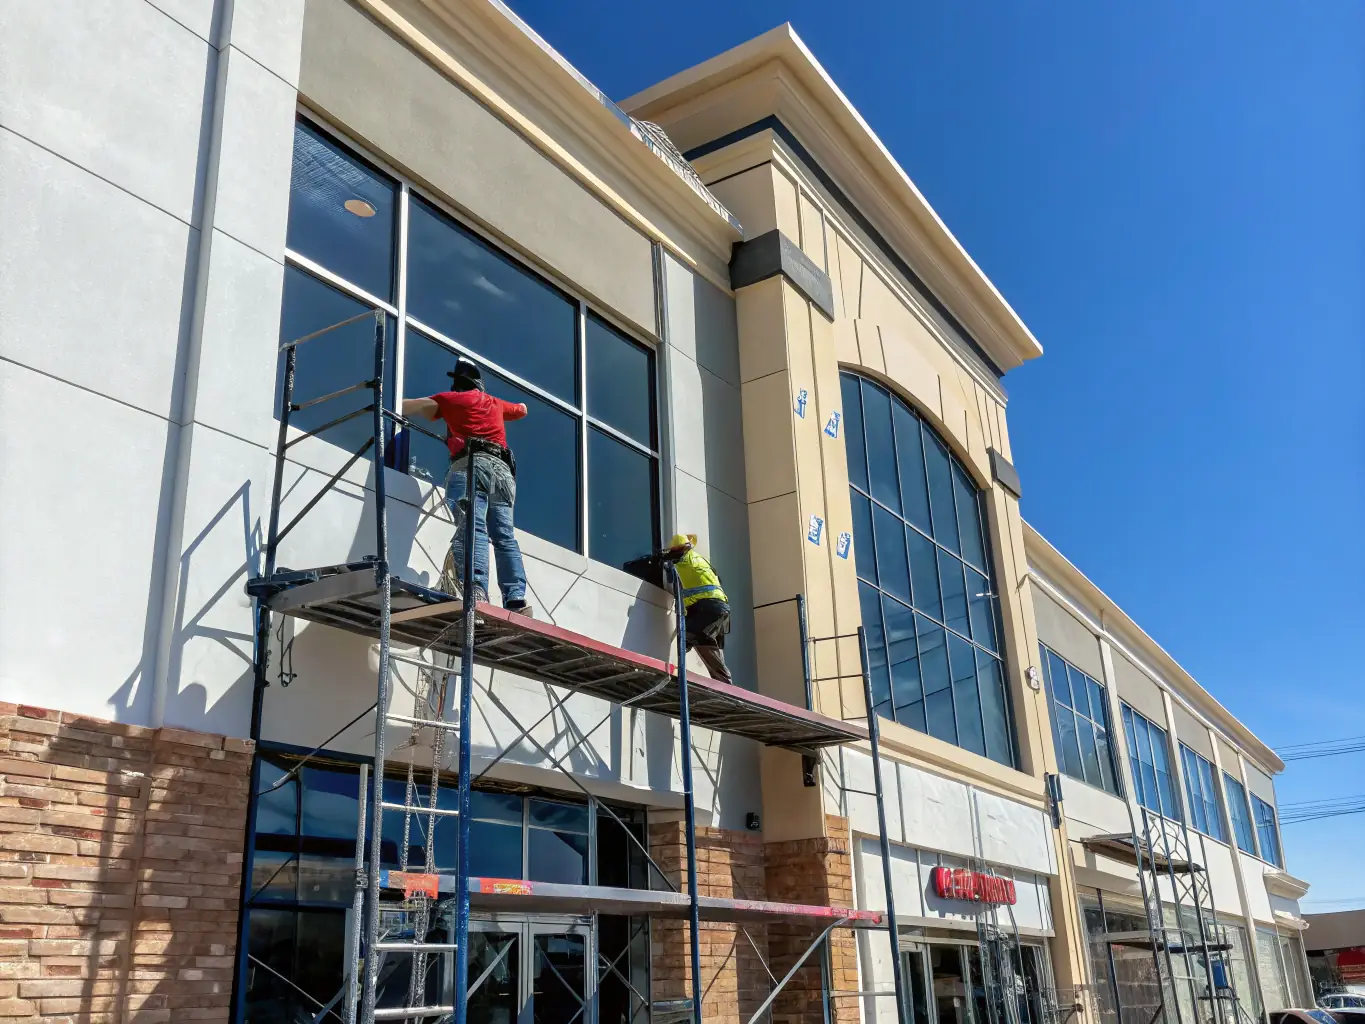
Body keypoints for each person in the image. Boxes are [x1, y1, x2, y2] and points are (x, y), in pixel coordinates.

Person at [401, 358, 533, 616]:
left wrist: (393, 399)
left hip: (471, 464)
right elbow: (523, 409)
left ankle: (475, 587)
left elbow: (413, 407)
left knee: (474, 528)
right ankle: (516, 598)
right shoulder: (495, 402)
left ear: (458, 385)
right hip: (503, 470)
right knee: (504, 536)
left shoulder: (451, 399)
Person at [663, 533, 732, 683]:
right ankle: (724, 682)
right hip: (720, 608)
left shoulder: (683, 561)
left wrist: (664, 562)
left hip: (707, 608)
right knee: (706, 644)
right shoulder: (700, 560)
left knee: (687, 635)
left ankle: (676, 675)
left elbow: (671, 570)